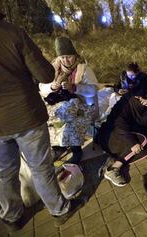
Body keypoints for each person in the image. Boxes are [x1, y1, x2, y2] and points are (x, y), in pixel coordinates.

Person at [0, 5, 81, 230]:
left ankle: (12, 216)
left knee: (3, 173)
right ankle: (59, 210)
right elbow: (45, 74)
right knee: (41, 168)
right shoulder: (12, 33)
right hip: (25, 115)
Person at [39, 36, 98, 164]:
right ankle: (58, 147)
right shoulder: (52, 68)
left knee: (72, 117)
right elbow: (41, 88)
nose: (65, 60)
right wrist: (52, 86)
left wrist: (75, 87)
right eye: (62, 57)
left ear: (75, 55)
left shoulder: (84, 69)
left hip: (82, 104)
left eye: (69, 56)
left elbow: (93, 90)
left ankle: (77, 150)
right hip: (58, 103)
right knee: (47, 116)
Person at [97, 93, 147, 187]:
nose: (146, 106)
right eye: (145, 104)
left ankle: (116, 157)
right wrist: (133, 142)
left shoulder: (131, 105)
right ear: (138, 97)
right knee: (142, 141)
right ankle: (113, 168)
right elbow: (119, 126)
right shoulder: (124, 107)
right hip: (110, 139)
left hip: (112, 139)